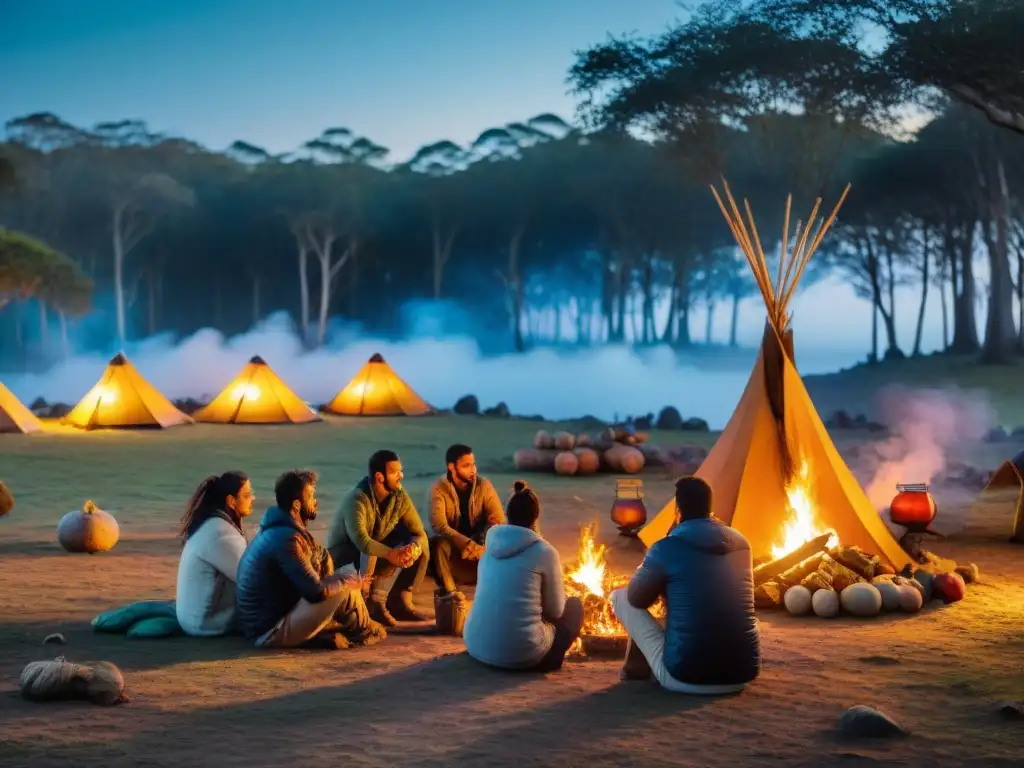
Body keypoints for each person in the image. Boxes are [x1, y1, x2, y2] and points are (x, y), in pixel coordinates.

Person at [610, 476, 761, 693]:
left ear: (677, 511)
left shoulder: (667, 547)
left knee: (621, 597)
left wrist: (664, 543)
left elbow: (637, 598)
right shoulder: (742, 544)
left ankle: (634, 670)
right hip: (742, 674)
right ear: (709, 508)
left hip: (685, 678)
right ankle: (636, 668)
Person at [235, 469, 383, 649]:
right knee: (346, 587)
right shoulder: (286, 539)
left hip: (272, 621)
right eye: (311, 496)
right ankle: (366, 630)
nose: (316, 501)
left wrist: (335, 574)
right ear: (297, 505)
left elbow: (314, 572)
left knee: (340, 579)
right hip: (269, 632)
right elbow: (316, 592)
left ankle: (351, 627)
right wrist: (348, 583)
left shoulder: (278, 531)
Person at [463, 481, 583, 672]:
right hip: (522, 655)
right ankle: (548, 660)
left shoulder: (490, 546)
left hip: (476, 645)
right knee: (575, 605)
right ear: (536, 517)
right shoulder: (545, 551)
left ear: (508, 515)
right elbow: (555, 612)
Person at [327, 450, 430, 627]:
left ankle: (398, 601)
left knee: (421, 545)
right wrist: (392, 554)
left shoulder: (399, 496)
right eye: (395, 472)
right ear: (380, 477)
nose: (401, 476)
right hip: (346, 557)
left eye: (401, 470)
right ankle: (367, 603)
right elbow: (361, 540)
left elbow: (418, 532)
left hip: (373, 552)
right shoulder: (357, 499)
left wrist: (412, 548)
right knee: (372, 545)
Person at [175, 471, 253, 636]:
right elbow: (251, 577)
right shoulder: (220, 534)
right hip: (206, 623)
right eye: (247, 495)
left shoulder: (214, 525)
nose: (252, 499)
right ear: (231, 501)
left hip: (193, 619)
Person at [427, 444, 505, 598]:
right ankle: (451, 593)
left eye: (473, 464)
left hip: (482, 554)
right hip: (457, 554)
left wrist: (481, 543)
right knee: (438, 543)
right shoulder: (439, 488)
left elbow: (499, 520)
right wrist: (467, 544)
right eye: (466, 465)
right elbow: (439, 525)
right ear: (452, 467)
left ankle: (493, 582)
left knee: (505, 539)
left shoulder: (484, 486)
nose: (473, 470)